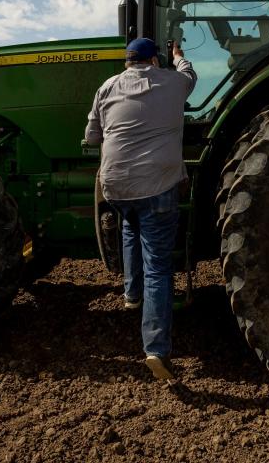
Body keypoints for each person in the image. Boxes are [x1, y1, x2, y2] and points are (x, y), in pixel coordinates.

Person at [84, 37, 197, 380]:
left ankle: (131, 294)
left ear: (127, 62)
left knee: (130, 222)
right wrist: (178, 56)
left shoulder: (106, 87)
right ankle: (156, 350)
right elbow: (189, 74)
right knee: (159, 267)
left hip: (115, 186)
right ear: (154, 60)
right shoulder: (174, 82)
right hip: (158, 185)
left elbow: (92, 137)